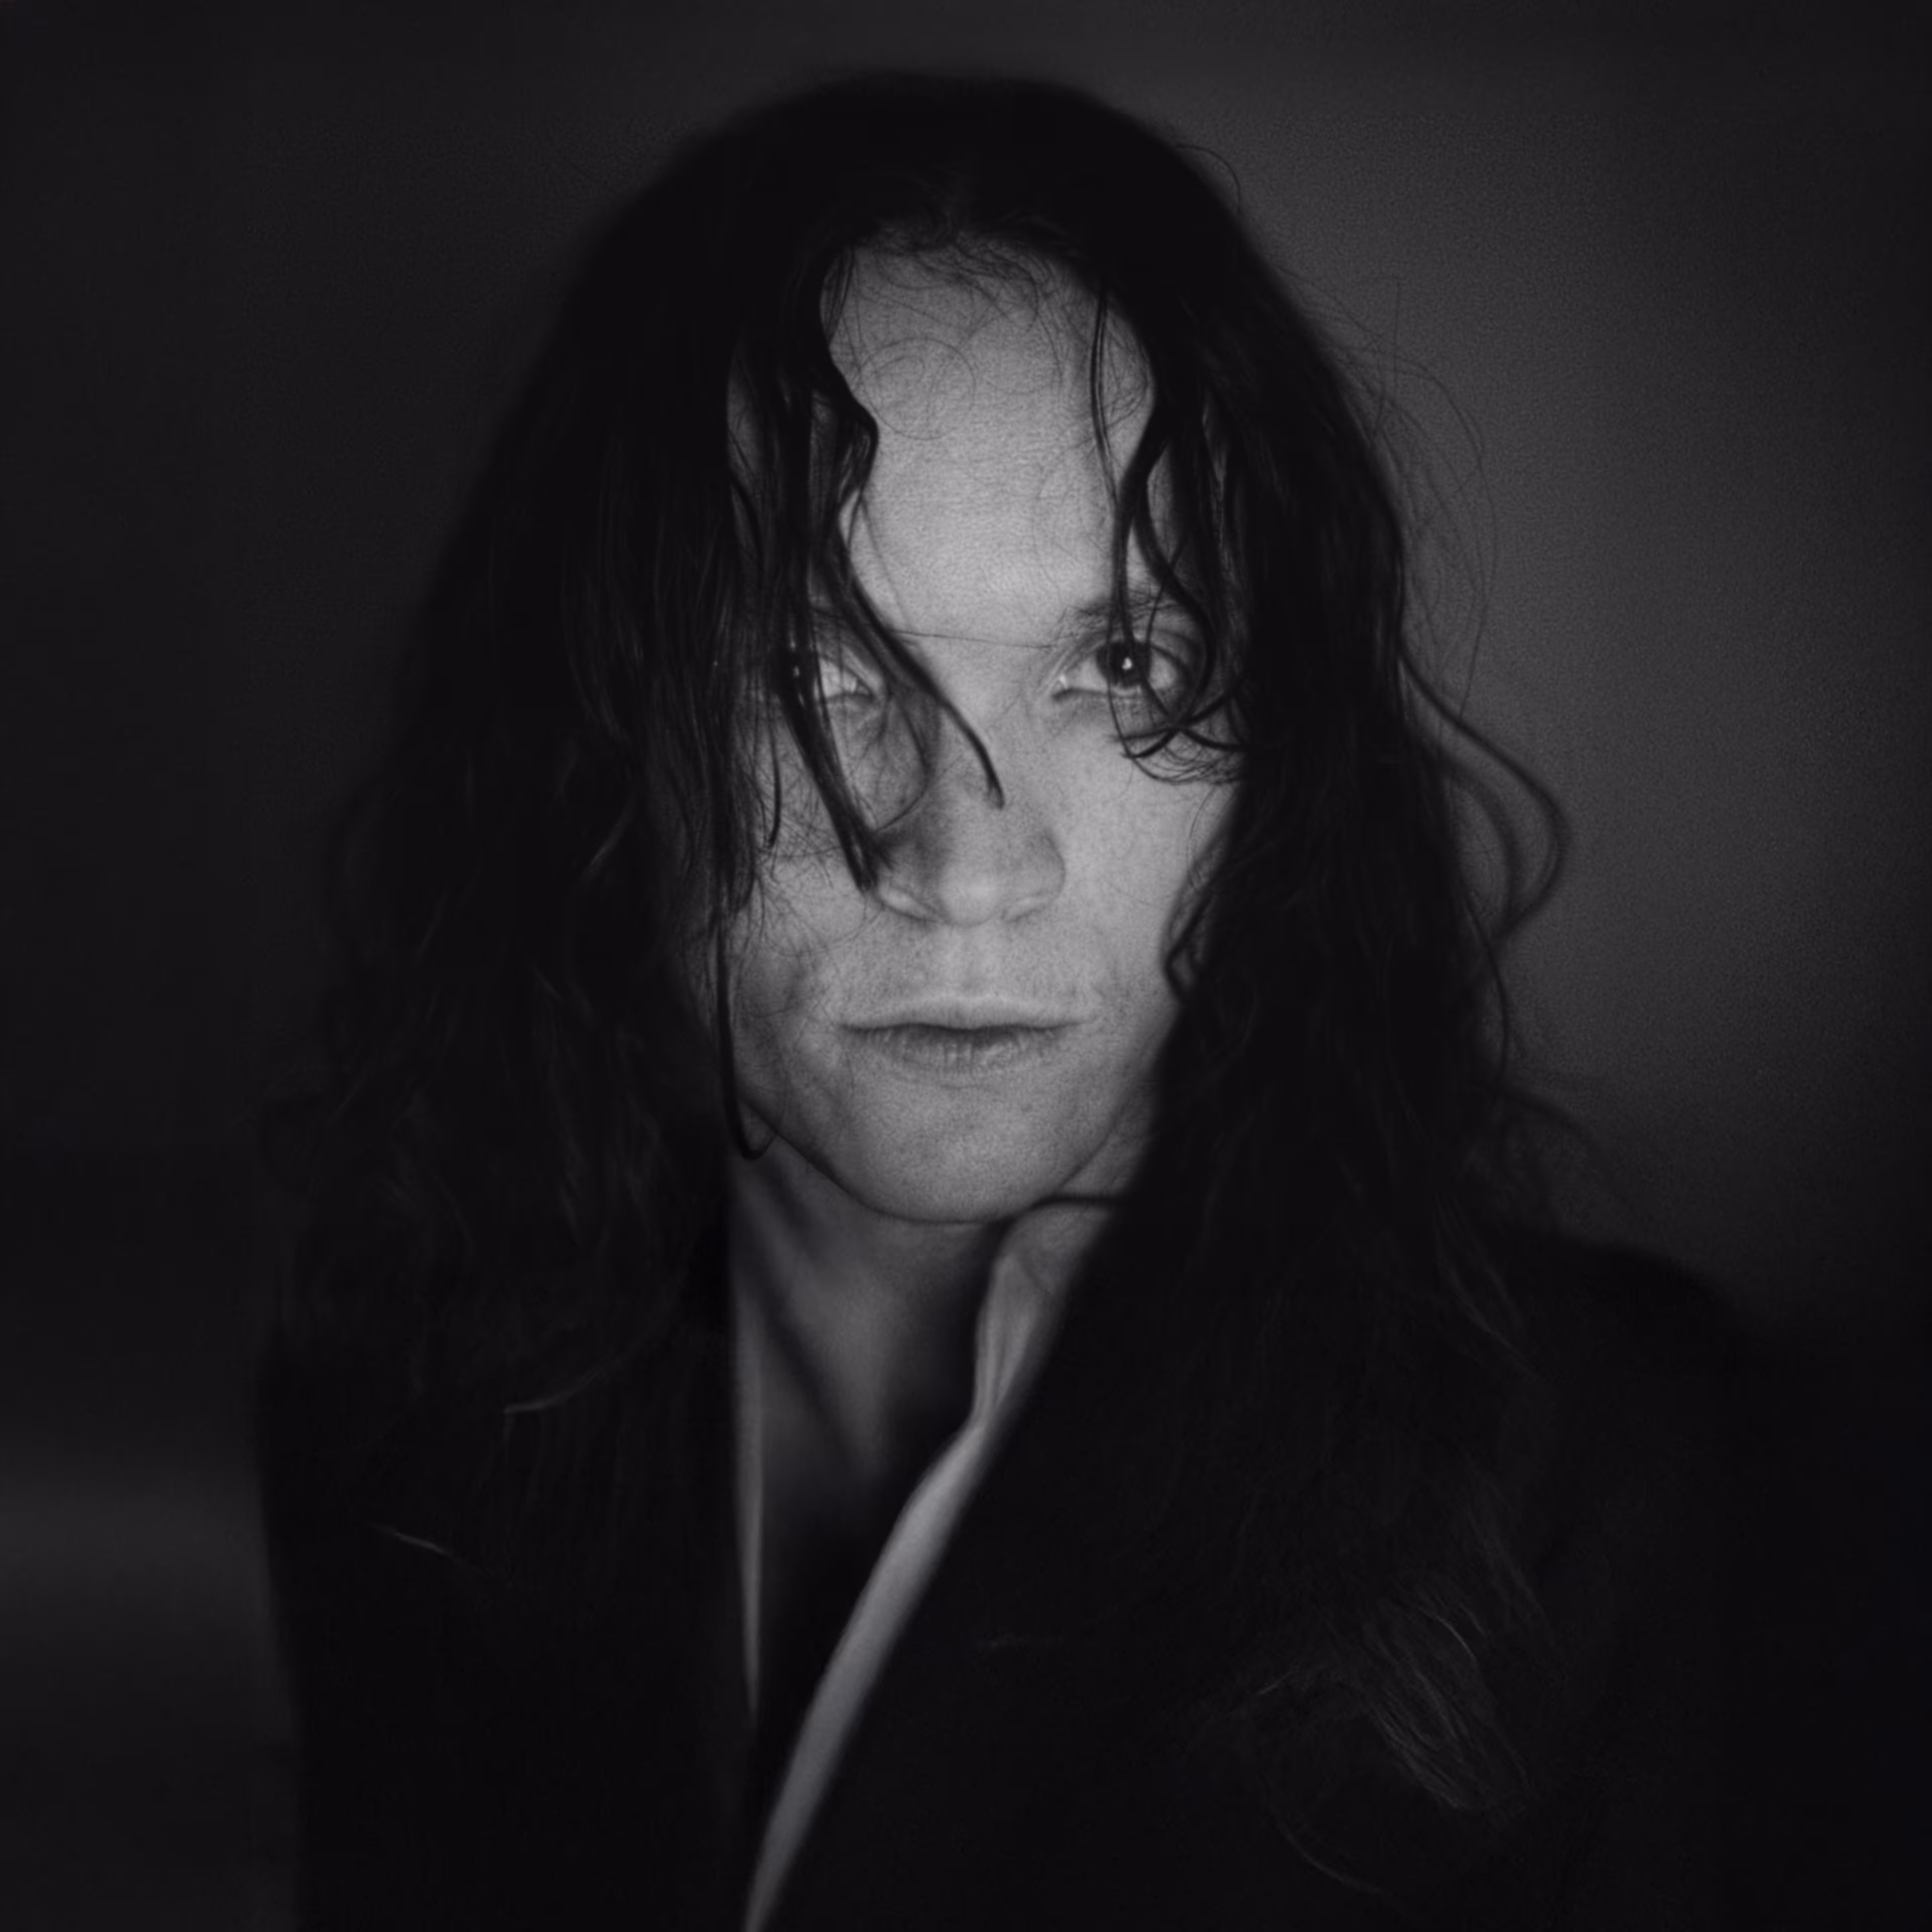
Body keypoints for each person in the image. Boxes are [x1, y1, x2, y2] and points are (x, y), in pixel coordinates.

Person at [257, 69, 1741, 1930]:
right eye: (807, 670)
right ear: (600, 737)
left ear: (1277, 761)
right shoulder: (392, 1421)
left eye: (1126, 667)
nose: (966, 863)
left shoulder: (1619, 1485)